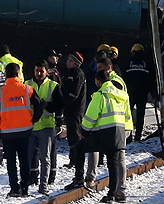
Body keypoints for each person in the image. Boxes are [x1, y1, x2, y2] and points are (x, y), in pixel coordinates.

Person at [67, 56, 131, 202]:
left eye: (100, 69)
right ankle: (114, 194)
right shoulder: (119, 92)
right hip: (119, 131)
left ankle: (81, 178)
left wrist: (83, 132)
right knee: (114, 163)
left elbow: (90, 117)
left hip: (104, 133)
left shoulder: (102, 94)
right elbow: (126, 110)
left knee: (80, 148)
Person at [0, 61, 35, 196]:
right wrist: (34, 119)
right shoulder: (27, 89)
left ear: (6, 75)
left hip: (7, 132)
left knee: (11, 161)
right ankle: (25, 186)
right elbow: (40, 105)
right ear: (18, 73)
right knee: (24, 159)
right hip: (25, 130)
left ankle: (14, 187)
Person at [29, 59, 65, 194]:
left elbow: (61, 103)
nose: (38, 73)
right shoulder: (27, 84)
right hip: (30, 125)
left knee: (45, 157)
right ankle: (26, 183)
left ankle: (43, 185)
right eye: (37, 71)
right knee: (28, 156)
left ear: (46, 72)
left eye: (41, 71)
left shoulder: (53, 85)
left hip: (46, 126)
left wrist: (48, 106)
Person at [60, 51, 94, 187]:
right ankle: (72, 158)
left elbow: (74, 93)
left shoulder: (78, 75)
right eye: (68, 60)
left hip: (75, 110)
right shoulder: (70, 73)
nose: (68, 62)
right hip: (69, 109)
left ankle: (75, 159)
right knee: (71, 134)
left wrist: (63, 101)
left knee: (74, 135)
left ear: (76, 63)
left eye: (71, 60)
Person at [124, 44, 154, 143]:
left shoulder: (128, 63)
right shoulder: (147, 64)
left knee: (128, 116)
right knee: (140, 115)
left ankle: (128, 137)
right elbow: (151, 79)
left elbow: (123, 78)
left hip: (130, 94)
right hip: (142, 94)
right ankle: (137, 137)